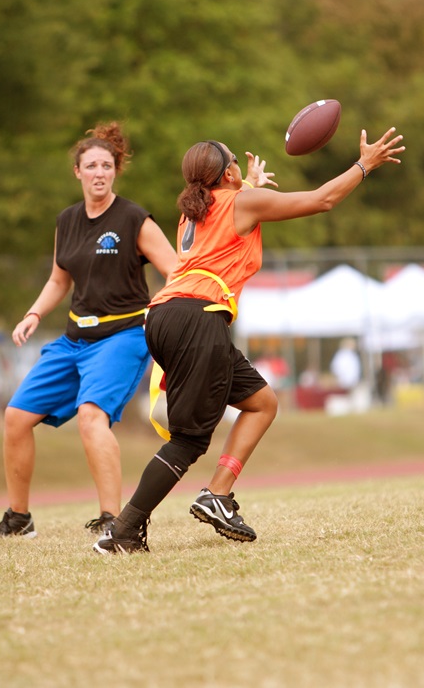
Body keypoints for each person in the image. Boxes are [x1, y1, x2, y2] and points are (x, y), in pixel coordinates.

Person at [94, 127, 405, 555]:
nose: (241, 166)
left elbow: (227, 229)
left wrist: (251, 187)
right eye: (234, 162)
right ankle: (124, 531)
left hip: (166, 314)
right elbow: (322, 199)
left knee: (262, 402)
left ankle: (217, 495)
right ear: (224, 175)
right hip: (196, 317)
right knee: (187, 440)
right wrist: (363, 165)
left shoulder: (194, 211)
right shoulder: (240, 200)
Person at [0, 122, 177, 538]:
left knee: (92, 417)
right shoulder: (67, 221)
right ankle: (19, 519)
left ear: (115, 170)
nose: (99, 172)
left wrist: (162, 315)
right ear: (77, 171)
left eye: (106, 165)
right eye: (91, 165)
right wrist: (33, 314)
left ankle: (114, 521)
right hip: (74, 340)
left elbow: (175, 270)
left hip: (122, 337)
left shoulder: (133, 218)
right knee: (16, 416)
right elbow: (59, 280)